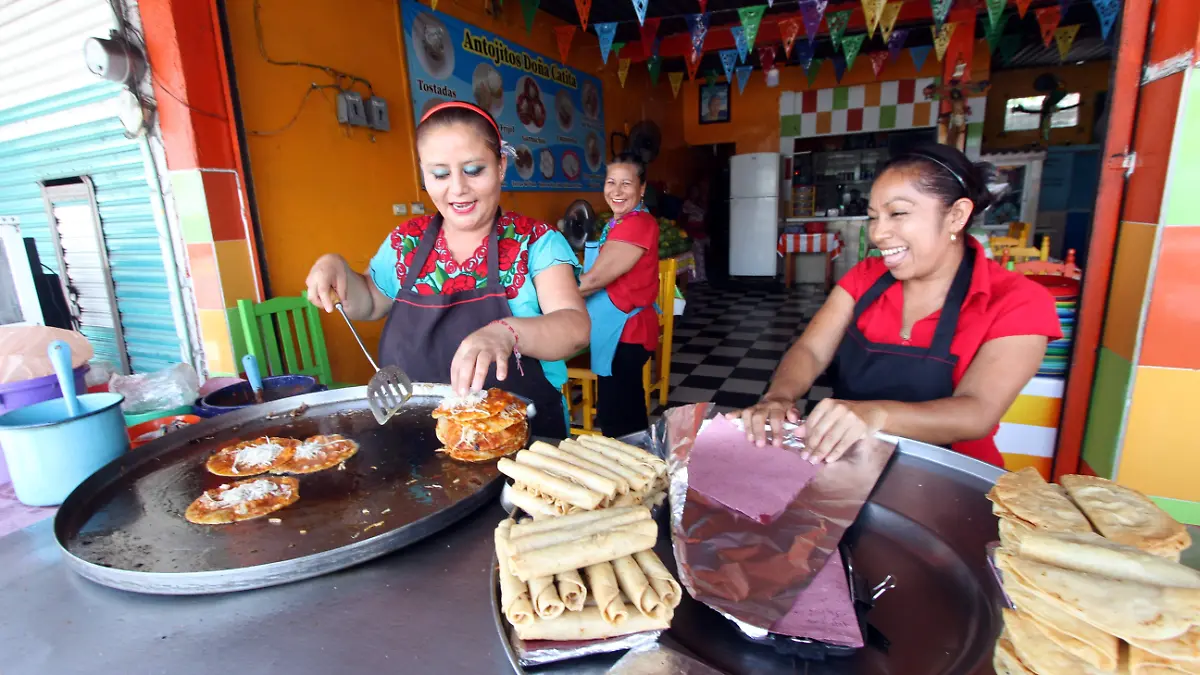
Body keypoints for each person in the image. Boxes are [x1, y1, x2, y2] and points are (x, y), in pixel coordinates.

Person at [735, 144, 1061, 466]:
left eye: (898, 213)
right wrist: (779, 396)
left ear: (957, 216)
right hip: (848, 465)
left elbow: (976, 411)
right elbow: (812, 351)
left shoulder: (1018, 301)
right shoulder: (865, 278)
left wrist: (874, 413)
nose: (878, 233)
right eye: (874, 217)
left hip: (949, 479)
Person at [305, 101, 589, 439]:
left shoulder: (537, 242)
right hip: (416, 443)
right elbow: (369, 301)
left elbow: (574, 326)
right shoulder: (405, 242)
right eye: (440, 174)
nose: (457, 188)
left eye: (473, 170)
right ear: (425, 174)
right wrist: (336, 268)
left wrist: (506, 333)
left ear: (500, 166)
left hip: (522, 441)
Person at [578, 154, 660, 438]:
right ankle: (641, 463)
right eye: (611, 182)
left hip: (626, 332)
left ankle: (630, 470)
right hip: (615, 330)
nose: (616, 190)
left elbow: (596, 279)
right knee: (626, 406)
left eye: (626, 183)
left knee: (617, 416)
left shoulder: (638, 224)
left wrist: (552, 297)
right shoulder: (618, 223)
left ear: (642, 189)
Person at [680, 185, 708, 284]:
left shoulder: (700, 203)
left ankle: (701, 276)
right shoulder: (687, 204)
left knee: (701, 255)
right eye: (694, 191)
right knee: (695, 254)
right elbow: (685, 218)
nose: (695, 193)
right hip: (692, 230)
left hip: (701, 230)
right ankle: (694, 278)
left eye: (697, 191)